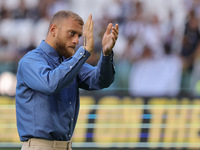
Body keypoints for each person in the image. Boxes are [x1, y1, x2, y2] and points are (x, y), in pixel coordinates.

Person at [15, 10, 119, 150]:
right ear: (53, 30)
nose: (76, 41)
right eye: (72, 33)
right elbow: (50, 84)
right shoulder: (30, 60)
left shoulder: (69, 62)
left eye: (79, 35)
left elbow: (100, 80)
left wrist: (106, 55)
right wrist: (84, 51)